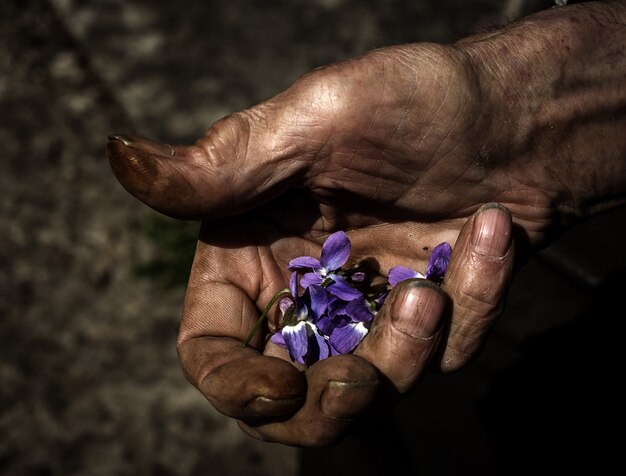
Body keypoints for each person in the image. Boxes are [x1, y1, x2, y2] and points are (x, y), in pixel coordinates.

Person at [107, 1, 625, 446]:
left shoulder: (330, 275)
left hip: (573, 244)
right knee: (377, 421)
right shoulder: (321, 279)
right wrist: (544, 100)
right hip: (538, 231)